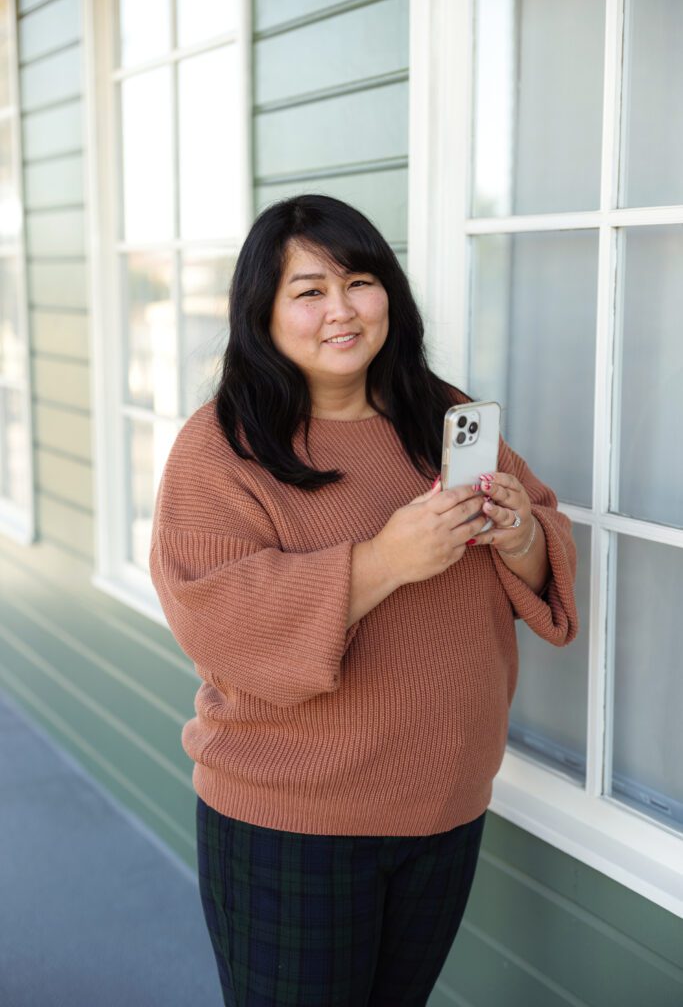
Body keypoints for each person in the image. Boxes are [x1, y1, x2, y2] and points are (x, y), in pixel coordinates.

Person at [149, 194, 579, 1006]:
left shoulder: (441, 412)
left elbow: (541, 543)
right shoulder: (221, 446)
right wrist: (382, 561)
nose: (341, 311)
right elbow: (216, 617)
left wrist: (518, 531)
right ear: (261, 312)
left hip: (445, 805)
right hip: (293, 821)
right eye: (309, 291)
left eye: (359, 282)